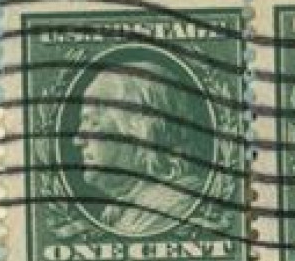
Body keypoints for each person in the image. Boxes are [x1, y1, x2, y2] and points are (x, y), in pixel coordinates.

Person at [73, 59, 206, 238]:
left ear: (139, 130)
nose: (78, 140)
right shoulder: (127, 210)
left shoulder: (172, 207)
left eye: (93, 123)